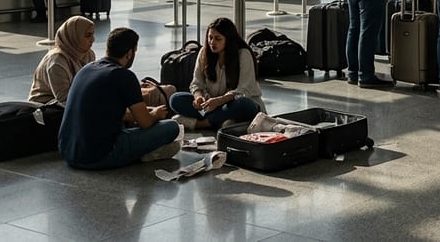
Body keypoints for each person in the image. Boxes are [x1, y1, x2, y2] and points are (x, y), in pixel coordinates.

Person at [58, 27, 181, 169]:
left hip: (69, 153)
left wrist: (144, 111)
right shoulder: (124, 76)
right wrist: (155, 114)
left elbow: (108, 111)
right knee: (171, 127)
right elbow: (145, 123)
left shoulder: (87, 69)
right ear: (129, 53)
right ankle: (145, 152)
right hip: (99, 155)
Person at [169, 17, 264, 130]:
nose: (212, 42)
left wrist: (219, 101)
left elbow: (244, 91)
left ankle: (203, 123)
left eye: (218, 39)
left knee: (243, 104)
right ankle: (222, 120)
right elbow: (196, 83)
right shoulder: (204, 52)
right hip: (212, 105)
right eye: (210, 38)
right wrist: (198, 97)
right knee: (175, 99)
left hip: (234, 103)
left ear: (228, 39)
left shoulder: (243, 54)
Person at [30, 16, 96, 105]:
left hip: (74, 102)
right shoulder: (56, 62)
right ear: (74, 36)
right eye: (87, 35)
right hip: (46, 109)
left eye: (92, 34)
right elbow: (65, 99)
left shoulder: (88, 55)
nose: (92, 40)